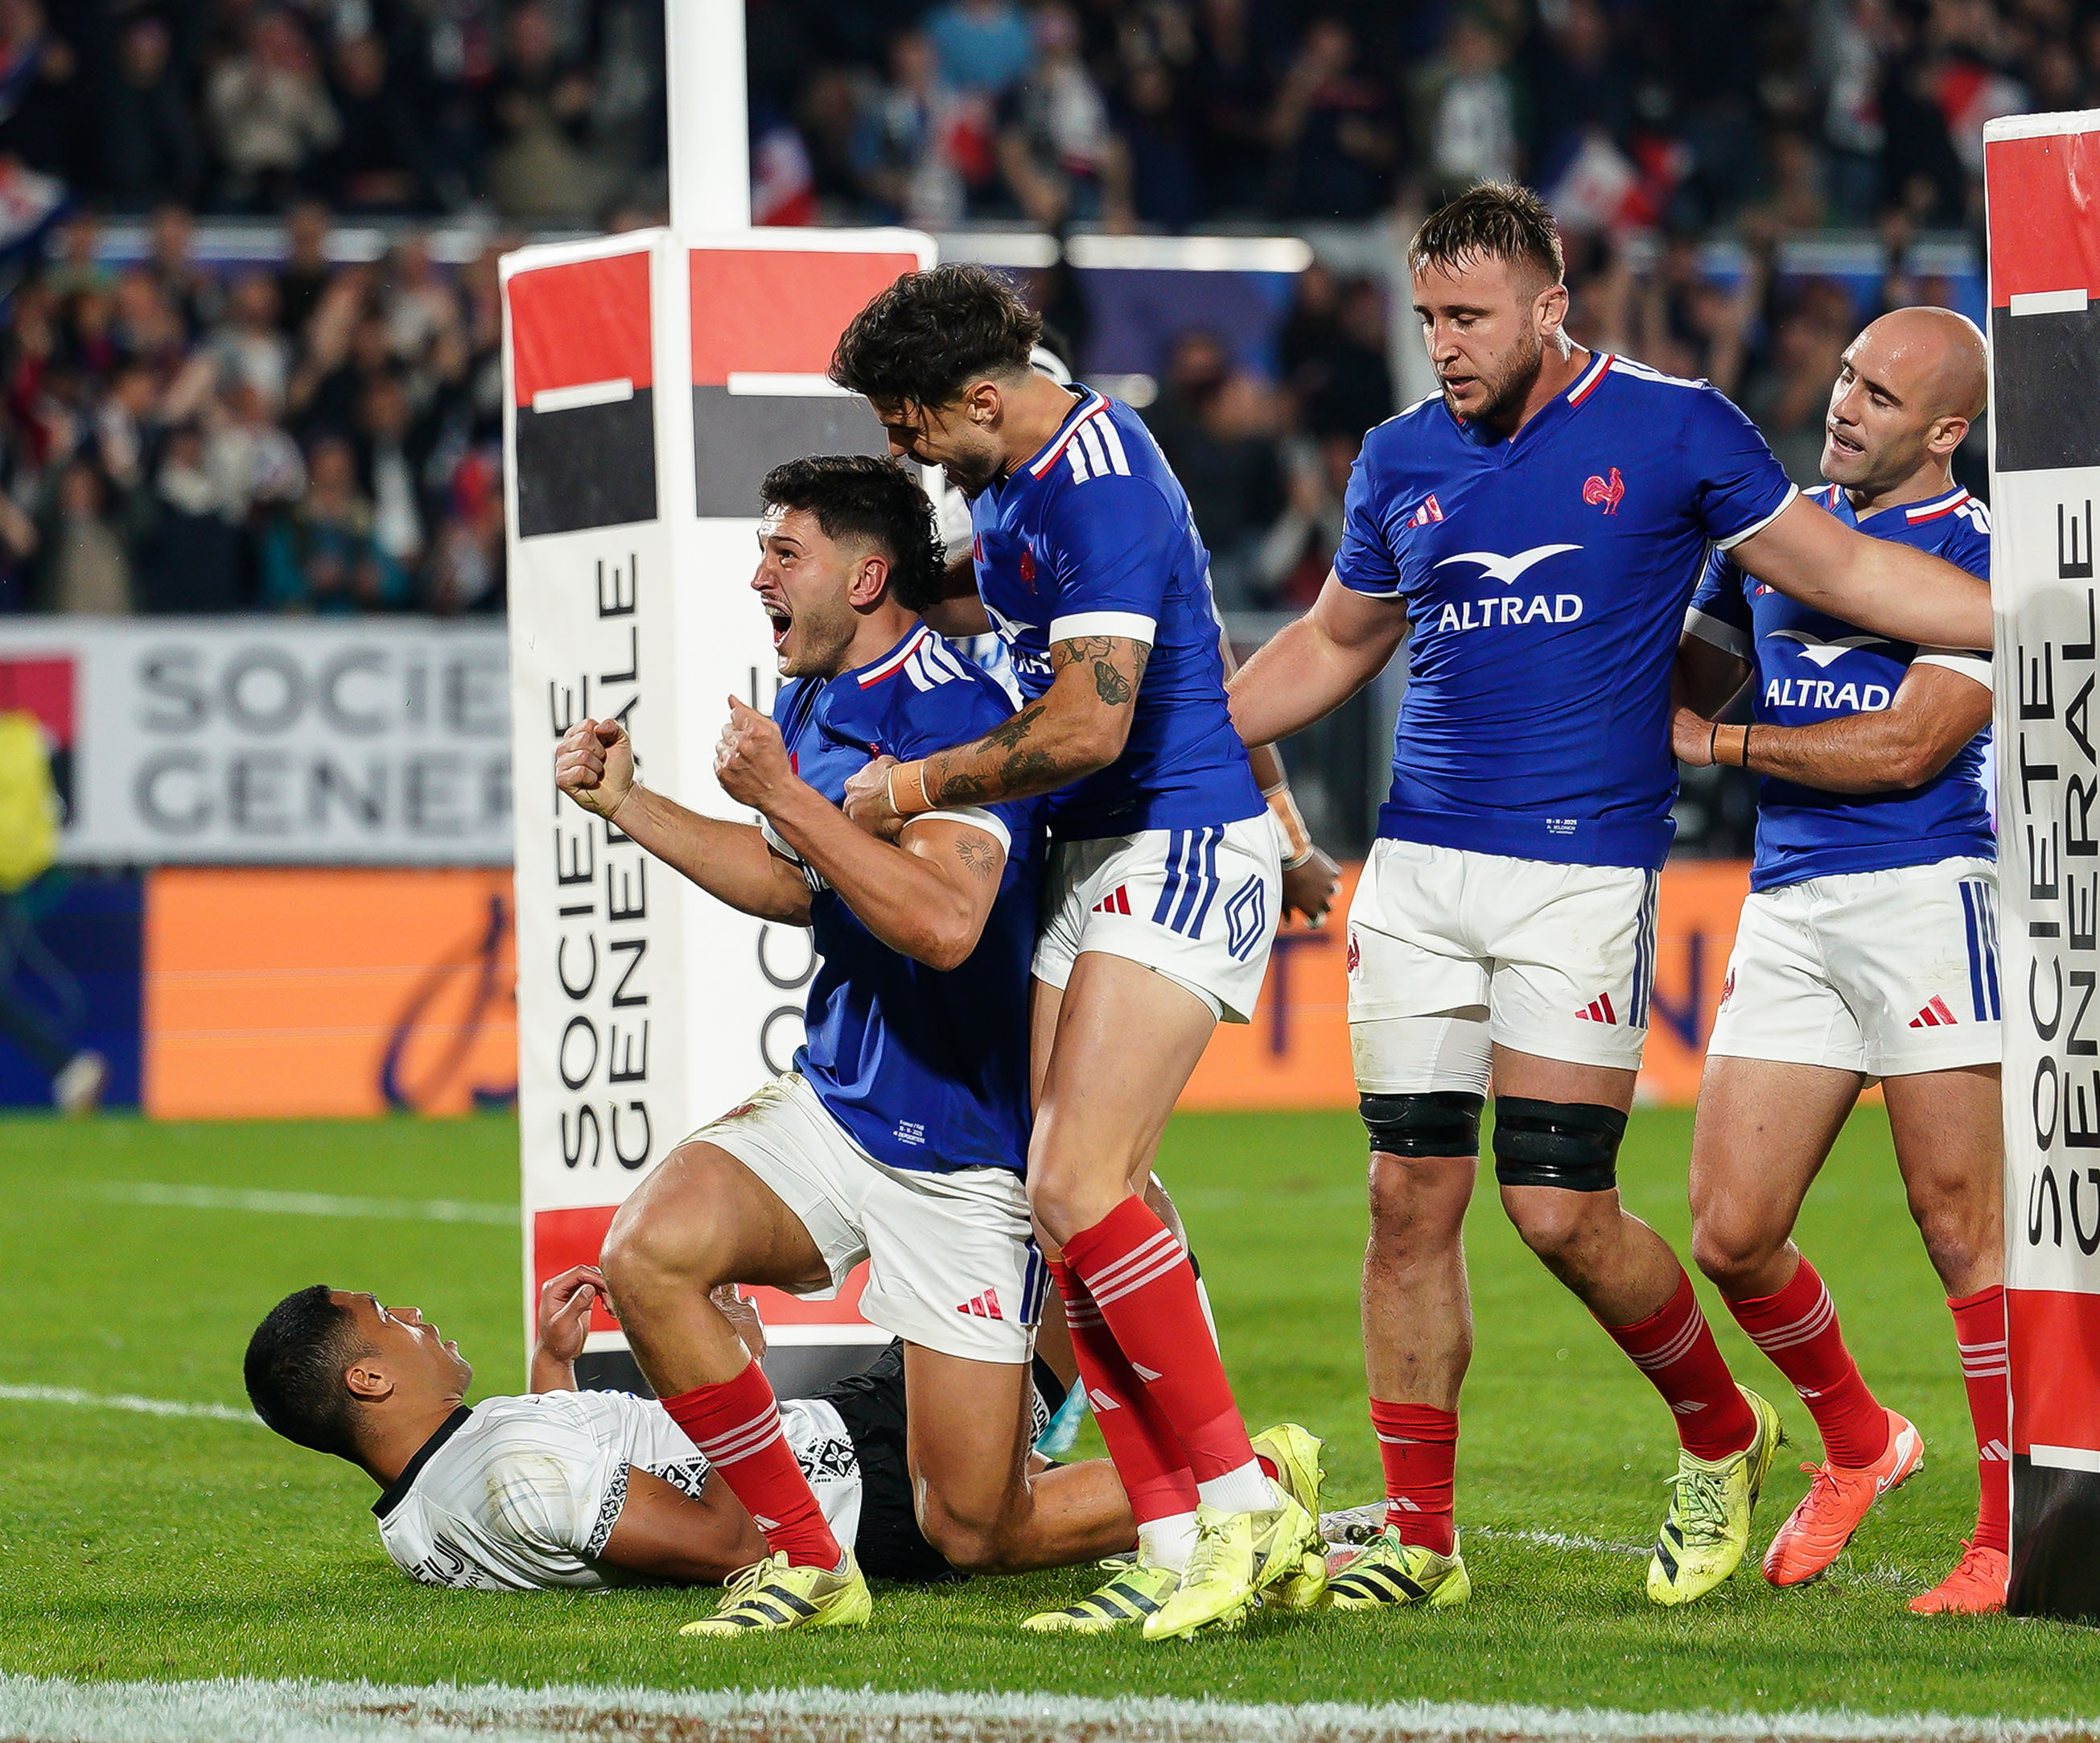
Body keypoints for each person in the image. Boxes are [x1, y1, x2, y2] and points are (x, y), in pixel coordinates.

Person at [1222, 184, 1996, 1611]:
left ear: (1550, 304)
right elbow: (1335, 639)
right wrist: (1187, 754)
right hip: (1420, 867)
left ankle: (1722, 1430)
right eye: (1427, 318)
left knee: (1560, 1211)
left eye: (1469, 317)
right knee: (1405, 1197)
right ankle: (1421, 1536)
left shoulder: (1679, 427)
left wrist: (2058, 605)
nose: (1443, 346)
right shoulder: (1398, 459)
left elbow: (1847, 572)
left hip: (1579, 870)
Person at [551, 455, 1141, 1637]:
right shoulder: (814, 694)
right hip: (840, 1104)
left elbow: (942, 922)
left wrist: (790, 796)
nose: (757, 571)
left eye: (785, 551)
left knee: (973, 1527)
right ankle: (805, 1558)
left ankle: (1249, 1487)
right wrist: (631, 803)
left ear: (868, 575)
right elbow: (800, 884)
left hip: (966, 1154)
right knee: (650, 1250)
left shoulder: (961, 717)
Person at [827, 269, 1318, 1642]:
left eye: (908, 420)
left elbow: (1097, 726)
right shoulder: (1006, 481)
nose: (901, 448)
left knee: (1078, 1180)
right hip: (1098, 857)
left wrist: (915, 785)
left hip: (1174, 840)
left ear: (982, 396)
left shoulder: (1100, 477)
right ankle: (1171, 1534)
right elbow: (1203, 635)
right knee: (1059, 1208)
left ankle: (1239, 1495)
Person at [1668, 307, 2010, 1616]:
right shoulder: (1776, 534)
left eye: (1880, 392)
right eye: (1847, 378)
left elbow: (1909, 746)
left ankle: (2007, 1527)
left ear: (1947, 431)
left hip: (1930, 887)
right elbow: (1684, 668)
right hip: (1791, 898)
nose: (1844, 404)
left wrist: (1723, 747)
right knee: (1734, 1228)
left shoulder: (1981, 556)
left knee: (1960, 1226)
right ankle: (1861, 1440)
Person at [241, 1267, 1085, 1594]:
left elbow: (559, 1506)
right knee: (1042, 1239)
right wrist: (736, 1370)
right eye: (388, 1316)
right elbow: (732, 1543)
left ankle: (1110, 1477)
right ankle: (1207, 1488)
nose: (415, 1311)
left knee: (1030, 1271)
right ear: (368, 1378)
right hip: (870, 1479)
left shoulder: (417, 1512)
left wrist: (553, 1363)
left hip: (851, 1442)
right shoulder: (511, 1467)